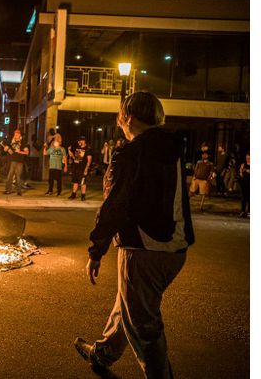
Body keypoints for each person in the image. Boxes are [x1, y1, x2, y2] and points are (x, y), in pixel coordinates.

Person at [74, 91, 194, 379]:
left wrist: (96, 251)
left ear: (127, 117)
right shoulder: (174, 149)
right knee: (129, 304)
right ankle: (102, 354)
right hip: (176, 249)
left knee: (144, 327)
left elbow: (115, 206)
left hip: (143, 249)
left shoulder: (130, 152)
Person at [3, 129, 29, 195]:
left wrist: (19, 151)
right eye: (15, 134)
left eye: (17, 134)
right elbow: (7, 150)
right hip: (11, 161)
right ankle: (8, 190)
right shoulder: (11, 142)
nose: (16, 135)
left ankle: (19, 191)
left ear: (20, 135)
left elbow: (27, 152)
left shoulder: (23, 143)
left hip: (20, 161)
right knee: (9, 176)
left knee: (18, 176)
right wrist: (5, 149)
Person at [68, 137, 92, 201]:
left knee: (82, 182)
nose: (80, 142)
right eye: (80, 140)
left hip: (83, 168)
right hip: (76, 168)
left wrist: (86, 169)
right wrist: (70, 151)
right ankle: (73, 194)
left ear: (84, 141)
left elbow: (89, 160)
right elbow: (76, 158)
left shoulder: (88, 149)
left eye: (82, 140)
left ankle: (83, 195)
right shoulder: (77, 148)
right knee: (75, 181)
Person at [239, 153, 250, 217]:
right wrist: (241, 171)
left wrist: (247, 170)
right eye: (247, 158)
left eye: (249, 158)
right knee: (243, 197)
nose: (248, 159)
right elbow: (241, 173)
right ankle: (243, 211)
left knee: (250, 198)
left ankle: (249, 212)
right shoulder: (243, 164)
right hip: (244, 183)